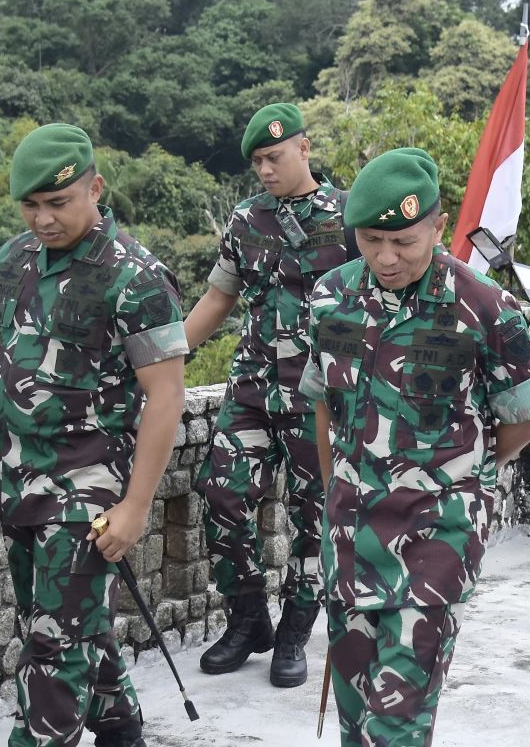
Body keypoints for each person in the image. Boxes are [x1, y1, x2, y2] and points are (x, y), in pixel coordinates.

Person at [300, 147, 530, 745]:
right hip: (350, 530)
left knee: (398, 716)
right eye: (369, 241)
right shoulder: (331, 296)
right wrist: (339, 487)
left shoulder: (484, 306)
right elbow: (324, 404)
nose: (386, 258)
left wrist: (462, 474)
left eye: (404, 242)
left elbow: (526, 418)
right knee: (357, 709)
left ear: (438, 227)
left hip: (437, 532)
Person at [0, 123, 188, 747]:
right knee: (62, 622)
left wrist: (136, 506)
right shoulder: (14, 260)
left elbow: (167, 395)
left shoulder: (135, 276)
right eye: (31, 205)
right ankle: (121, 730)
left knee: (52, 650)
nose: (43, 219)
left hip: (90, 487)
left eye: (57, 203)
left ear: (95, 189)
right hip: (19, 474)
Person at [186, 102, 352, 687]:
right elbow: (217, 299)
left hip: (319, 398)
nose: (264, 169)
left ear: (304, 149)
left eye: (274, 157)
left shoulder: (348, 216)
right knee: (222, 494)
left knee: (314, 517)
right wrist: (162, 357)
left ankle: (294, 631)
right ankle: (249, 617)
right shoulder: (246, 219)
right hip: (253, 388)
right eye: (256, 160)